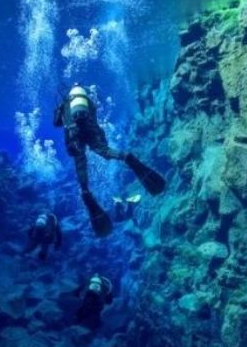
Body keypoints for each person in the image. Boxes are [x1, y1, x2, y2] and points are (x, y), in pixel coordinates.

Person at [53, 83, 166, 237]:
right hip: (91, 130)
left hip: (74, 133)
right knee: (106, 152)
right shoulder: (88, 102)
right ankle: (127, 157)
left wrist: (59, 110)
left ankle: (85, 190)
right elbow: (95, 122)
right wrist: (104, 144)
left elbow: (57, 123)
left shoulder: (65, 104)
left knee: (81, 162)